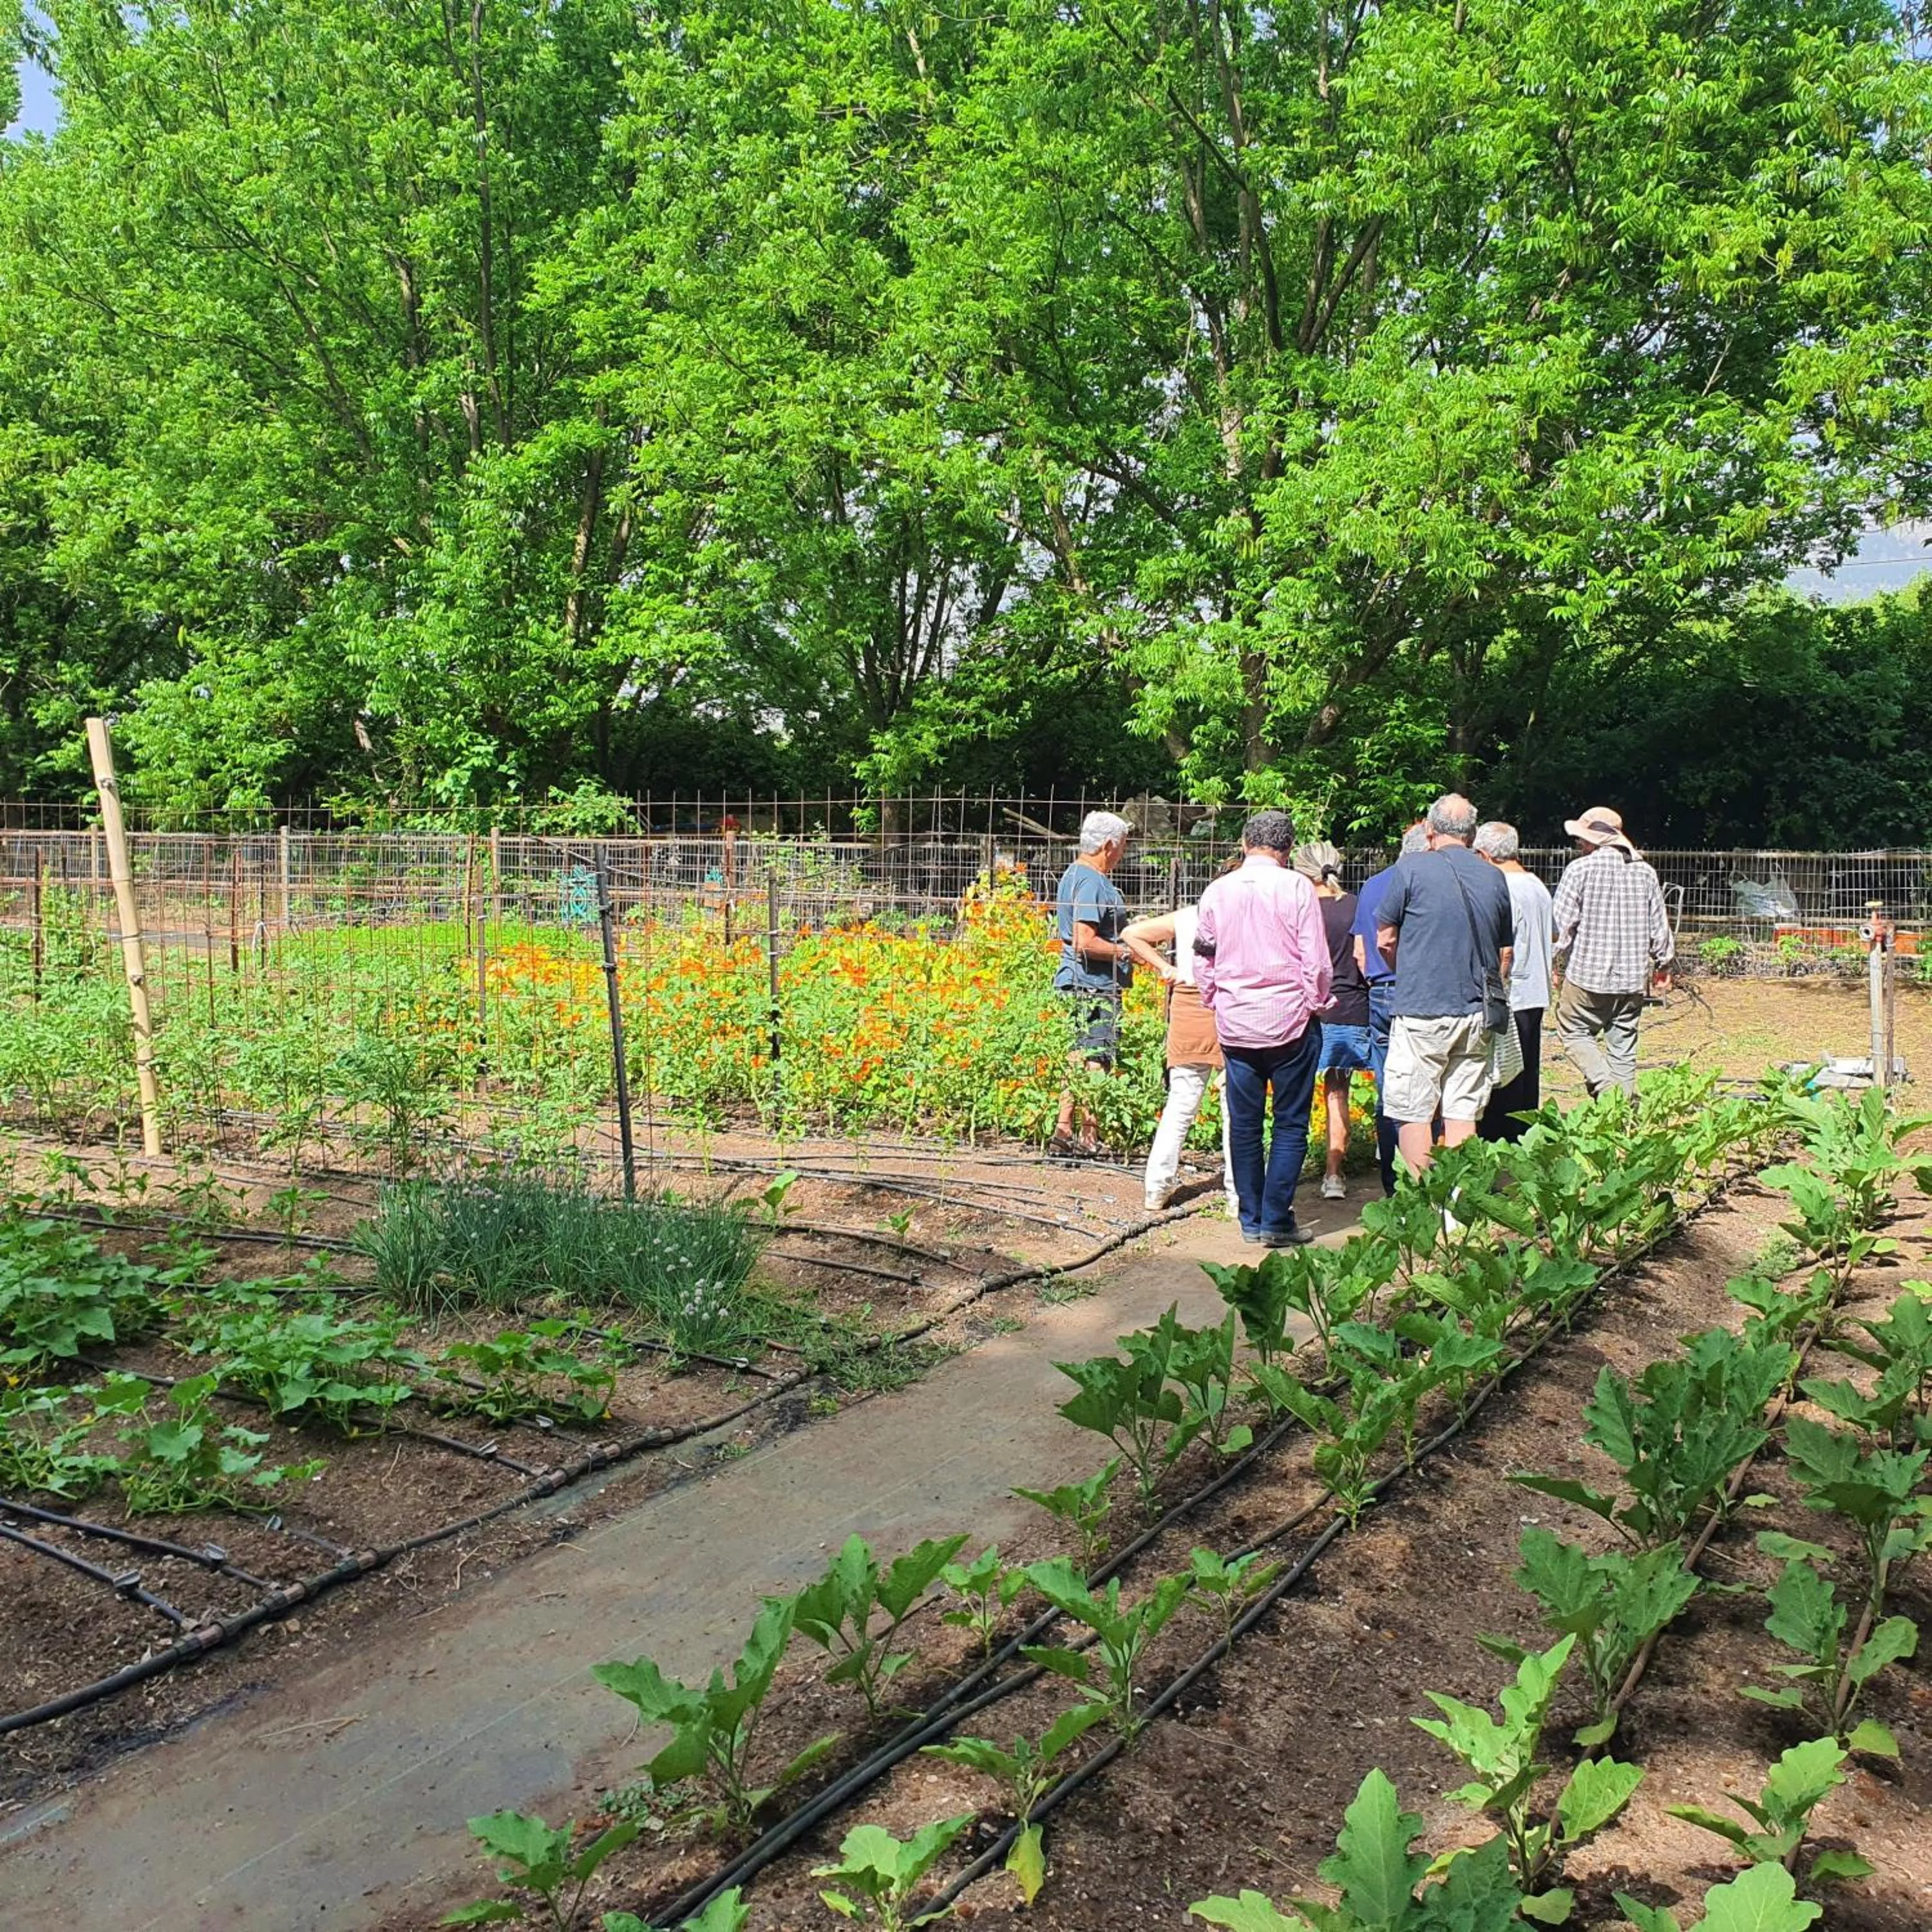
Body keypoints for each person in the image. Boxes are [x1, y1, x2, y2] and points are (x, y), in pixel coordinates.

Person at [1195, 810, 1332, 1245]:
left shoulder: (1217, 891)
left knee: (1244, 1124)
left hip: (1236, 1023)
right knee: (1290, 1123)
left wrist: (1214, 999)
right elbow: (1316, 960)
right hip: (1291, 1021)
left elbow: (1203, 956)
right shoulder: (1298, 888)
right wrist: (1316, 1003)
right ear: (1289, 847)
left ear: (1244, 843)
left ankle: (1250, 1219)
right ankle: (1276, 1220)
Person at [1374, 793, 1514, 1176]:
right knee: (1462, 1113)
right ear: (1472, 834)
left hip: (1421, 1009)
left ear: (1430, 830)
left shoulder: (1412, 868)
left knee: (1413, 1112)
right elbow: (1504, 952)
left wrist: (1408, 972)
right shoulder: (1494, 876)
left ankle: (1423, 1199)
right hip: (1478, 1012)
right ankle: (1457, 1200)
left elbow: (1385, 939)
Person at [1121, 904, 1237, 1216]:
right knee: (1235, 1105)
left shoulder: (1189, 915)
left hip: (1188, 1002)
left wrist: (1165, 968)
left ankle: (1156, 1189)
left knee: (1181, 1102)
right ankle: (1238, 1195)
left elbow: (1132, 933)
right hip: (1232, 1005)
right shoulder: (1245, 910)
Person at [1550, 806, 1673, 1099]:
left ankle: (1607, 1090)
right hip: (1631, 980)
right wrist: (1663, 965)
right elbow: (1660, 926)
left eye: (1581, 838)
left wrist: (1552, 961)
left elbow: (1560, 926)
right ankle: (1622, 1114)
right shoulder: (1645, 873)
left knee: (1573, 1031)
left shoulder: (1579, 870)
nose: (1579, 843)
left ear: (1593, 840)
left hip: (1586, 978)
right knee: (1623, 1050)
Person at [1352, 820, 1430, 1195]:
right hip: (1418, 991)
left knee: (1389, 1088)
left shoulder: (1371, 885)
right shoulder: (1424, 883)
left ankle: (1391, 1180)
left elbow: (1360, 951)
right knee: (1428, 1086)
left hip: (1379, 991)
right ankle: (1424, 1176)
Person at [1050, 810, 1134, 1155]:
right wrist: (1127, 951)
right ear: (1108, 845)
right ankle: (1088, 1136)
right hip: (1094, 984)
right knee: (1097, 1057)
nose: (1123, 853)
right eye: (1123, 846)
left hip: (1077, 981)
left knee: (1077, 1054)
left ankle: (1063, 1132)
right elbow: (1084, 941)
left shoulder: (1074, 874)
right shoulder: (1092, 881)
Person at [1293, 841, 1370, 1200]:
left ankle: (1293, 1169)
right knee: (1342, 1088)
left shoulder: (1298, 907)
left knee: (1299, 1089)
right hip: (1352, 1006)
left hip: (1306, 1008)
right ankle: (1336, 1173)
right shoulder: (1356, 906)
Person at [1473, 820, 1554, 1142]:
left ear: (1485, 854)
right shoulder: (1537, 885)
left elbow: (1503, 950)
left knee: (1503, 1074)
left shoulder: (1501, 887)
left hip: (1513, 993)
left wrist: (1496, 988)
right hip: (1537, 991)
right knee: (1527, 1074)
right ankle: (1525, 1139)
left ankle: (1499, 1143)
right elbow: (1554, 934)